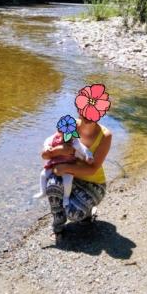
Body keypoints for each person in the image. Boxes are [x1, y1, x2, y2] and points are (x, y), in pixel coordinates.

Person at [41, 84, 112, 236]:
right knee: (52, 182)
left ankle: (87, 214)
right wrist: (55, 150)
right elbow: (45, 155)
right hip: (70, 178)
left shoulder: (105, 135)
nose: (86, 117)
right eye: (83, 112)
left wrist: (67, 164)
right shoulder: (69, 125)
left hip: (93, 183)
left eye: (91, 114)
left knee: (74, 214)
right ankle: (58, 224)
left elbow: (93, 168)